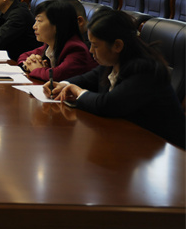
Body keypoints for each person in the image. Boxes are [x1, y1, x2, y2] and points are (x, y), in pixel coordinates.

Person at [45, 10, 185, 149]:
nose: (91, 50)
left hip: (165, 149)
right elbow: (87, 79)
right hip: (130, 140)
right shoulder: (113, 62)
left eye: (95, 45)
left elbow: (107, 104)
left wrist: (77, 92)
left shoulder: (145, 71)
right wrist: (64, 85)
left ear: (117, 45)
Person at [17, 0, 97, 80]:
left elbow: (56, 75)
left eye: (39, 21)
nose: (34, 26)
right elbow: (23, 56)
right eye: (36, 21)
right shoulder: (51, 44)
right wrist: (29, 65)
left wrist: (36, 69)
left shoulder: (76, 48)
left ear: (57, 25)